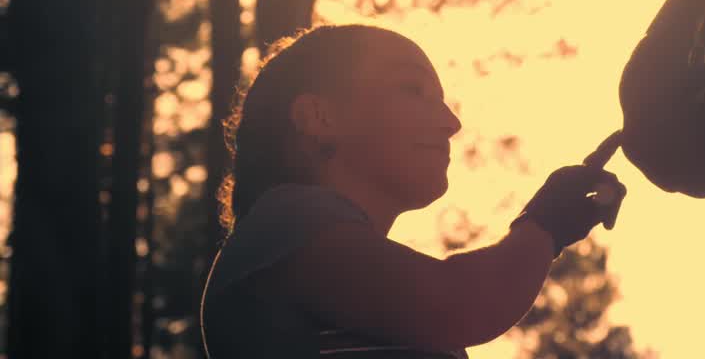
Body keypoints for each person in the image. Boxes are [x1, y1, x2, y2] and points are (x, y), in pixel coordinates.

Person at [199, 24, 626, 358]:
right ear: (319, 118)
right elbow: (461, 304)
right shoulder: (284, 221)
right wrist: (544, 224)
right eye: (413, 89)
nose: (450, 122)